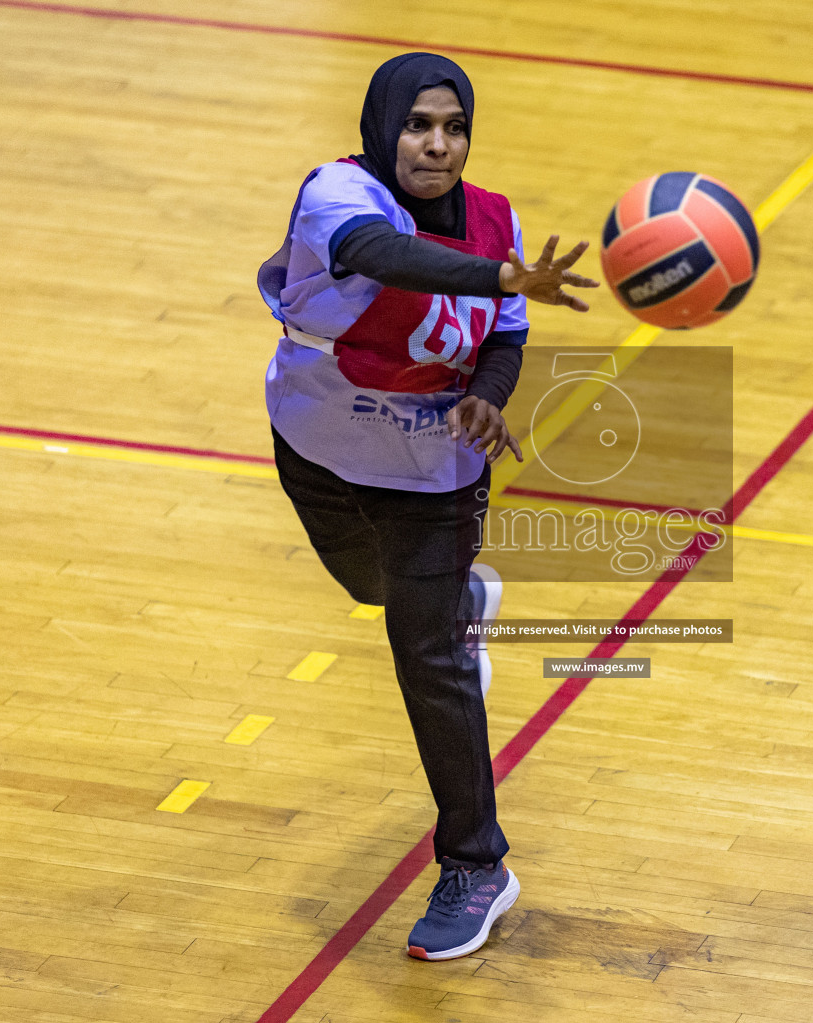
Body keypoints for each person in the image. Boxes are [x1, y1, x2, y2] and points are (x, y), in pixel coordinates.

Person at [256, 52, 597, 961]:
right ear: (383, 128)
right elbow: (381, 256)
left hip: (434, 472)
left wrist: (490, 390)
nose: (436, 145)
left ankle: (475, 866)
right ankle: (462, 605)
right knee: (367, 593)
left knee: (424, 656)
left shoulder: (496, 218)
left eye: (453, 128)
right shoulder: (337, 192)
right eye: (418, 126)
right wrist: (497, 279)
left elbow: (510, 337)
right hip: (318, 443)